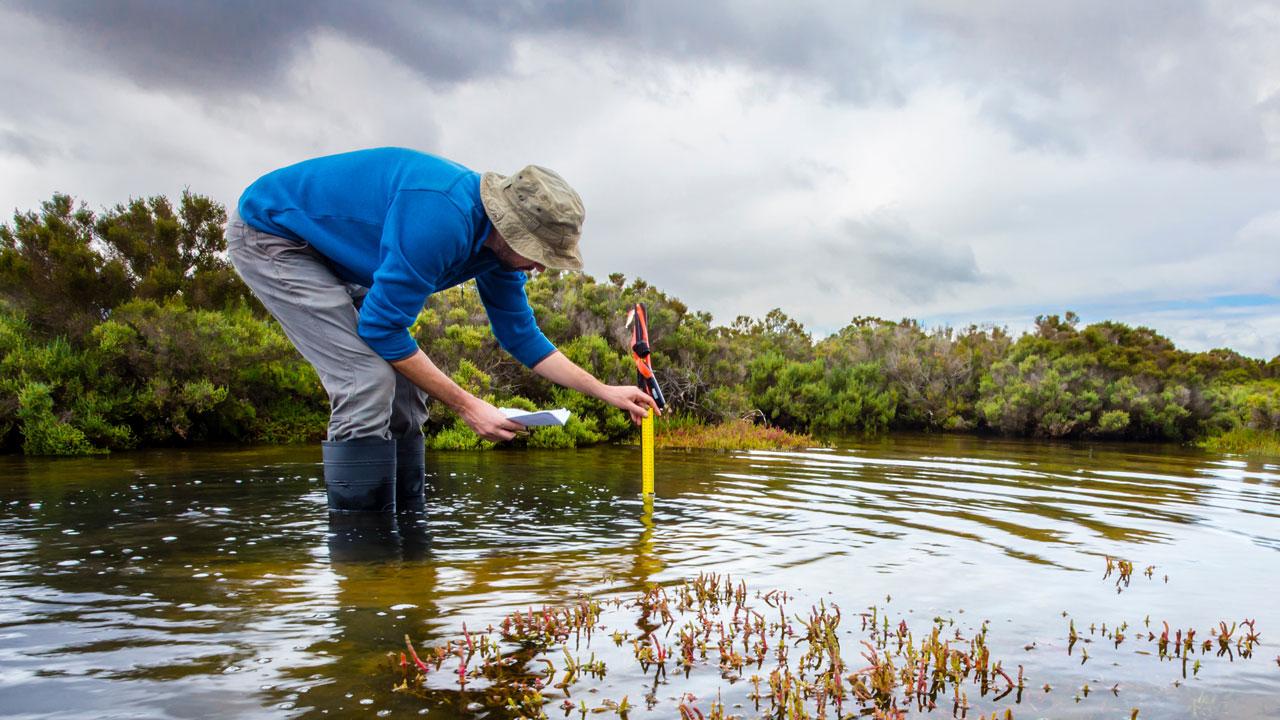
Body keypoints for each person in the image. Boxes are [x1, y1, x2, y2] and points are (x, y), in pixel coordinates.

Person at [225, 147, 658, 514]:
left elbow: (520, 335)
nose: (540, 264)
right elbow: (381, 328)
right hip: (276, 237)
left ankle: (408, 541)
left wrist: (605, 390)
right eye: (535, 250)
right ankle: (364, 557)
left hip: (338, 256)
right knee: (367, 379)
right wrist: (469, 406)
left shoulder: (498, 254)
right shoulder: (440, 217)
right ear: (507, 228)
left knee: (409, 389)